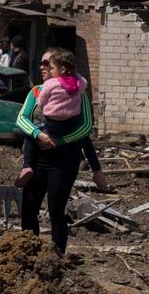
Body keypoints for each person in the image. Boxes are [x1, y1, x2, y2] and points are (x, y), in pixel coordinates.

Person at [14, 47, 109, 255]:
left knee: (56, 210)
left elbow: (85, 129)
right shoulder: (36, 91)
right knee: (28, 208)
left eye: (47, 63)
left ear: (61, 69)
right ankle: (30, 254)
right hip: (37, 159)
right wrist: (39, 135)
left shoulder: (77, 93)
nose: (42, 67)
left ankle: (57, 258)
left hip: (64, 161)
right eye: (41, 63)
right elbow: (22, 118)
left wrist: (60, 141)